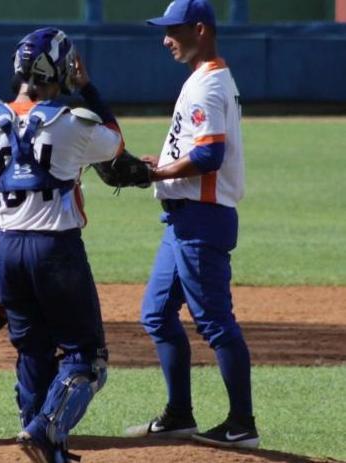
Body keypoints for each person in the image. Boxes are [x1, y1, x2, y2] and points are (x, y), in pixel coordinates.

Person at [0, 28, 125, 463]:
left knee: (32, 349)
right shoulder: (74, 123)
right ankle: (44, 430)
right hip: (56, 251)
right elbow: (115, 141)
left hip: (5, 249)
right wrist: (87, 87)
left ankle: (42, 441)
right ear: (63, 69)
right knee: (86, 358)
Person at [124, 0, 259, 449]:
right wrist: (158, 162)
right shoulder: (204, 78)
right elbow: (194, 147)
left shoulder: (207, 86)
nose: (166, 39)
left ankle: (242, 424)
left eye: (173, 30)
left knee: (216, 323)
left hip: (202, 218)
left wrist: (157, 174)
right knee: (157, 314)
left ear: (199, 29)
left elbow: (208, 156)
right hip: (182, 219)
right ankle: (179, 414)